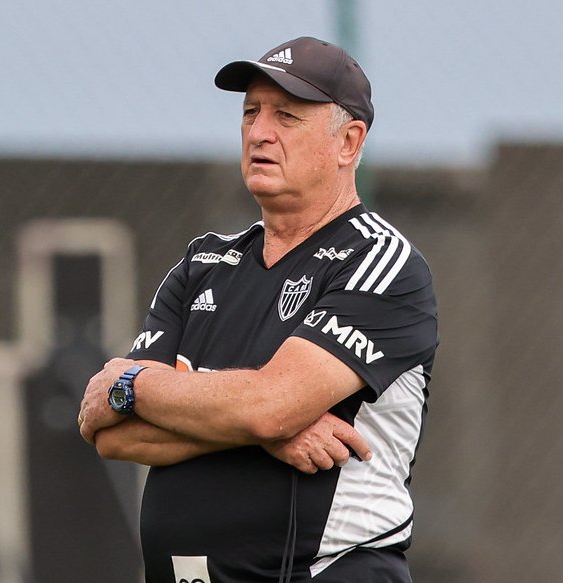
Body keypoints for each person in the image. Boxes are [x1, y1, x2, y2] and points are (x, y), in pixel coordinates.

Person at [78, 36, 438, 583]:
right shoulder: (204, 262)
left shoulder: (381, 263)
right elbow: (109, 432)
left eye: (287, 116)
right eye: (250, 112)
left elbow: (268, 405)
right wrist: (265, 429)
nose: (259, 132)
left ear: (349, 142)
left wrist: (132, 384)